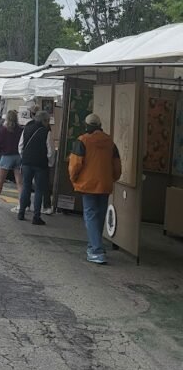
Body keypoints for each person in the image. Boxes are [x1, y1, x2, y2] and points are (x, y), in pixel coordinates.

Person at [69, 113, 122, 264]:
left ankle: (97, 250)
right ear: (99, 125)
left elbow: (75, 164)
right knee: (99, 216)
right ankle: (94, 245)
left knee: (91, 216)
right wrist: (113, 178)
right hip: (105, 184)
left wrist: (74, 179)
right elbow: (117, 165)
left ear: (86, 125)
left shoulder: (83, 140)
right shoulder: (110, 142)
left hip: (88, 184)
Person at [17, 110, 54, 225]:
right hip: (41, 164)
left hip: (27, 162)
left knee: (26, 186)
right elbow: (50, 151)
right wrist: (50, 163)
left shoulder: (27, 128)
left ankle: (21, 212)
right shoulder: (46, 132)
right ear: (44, 120)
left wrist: (24, 157)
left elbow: (20, 145)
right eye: (48, 121)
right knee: (39, 189)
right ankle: (36, 216)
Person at [0, 109, 23, 209]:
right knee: (19, 182)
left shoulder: (3, 129)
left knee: (0, 181)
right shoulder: (20, 130)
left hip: (6, 156)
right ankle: (21, 204)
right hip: (18, 156)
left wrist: (2, 151)